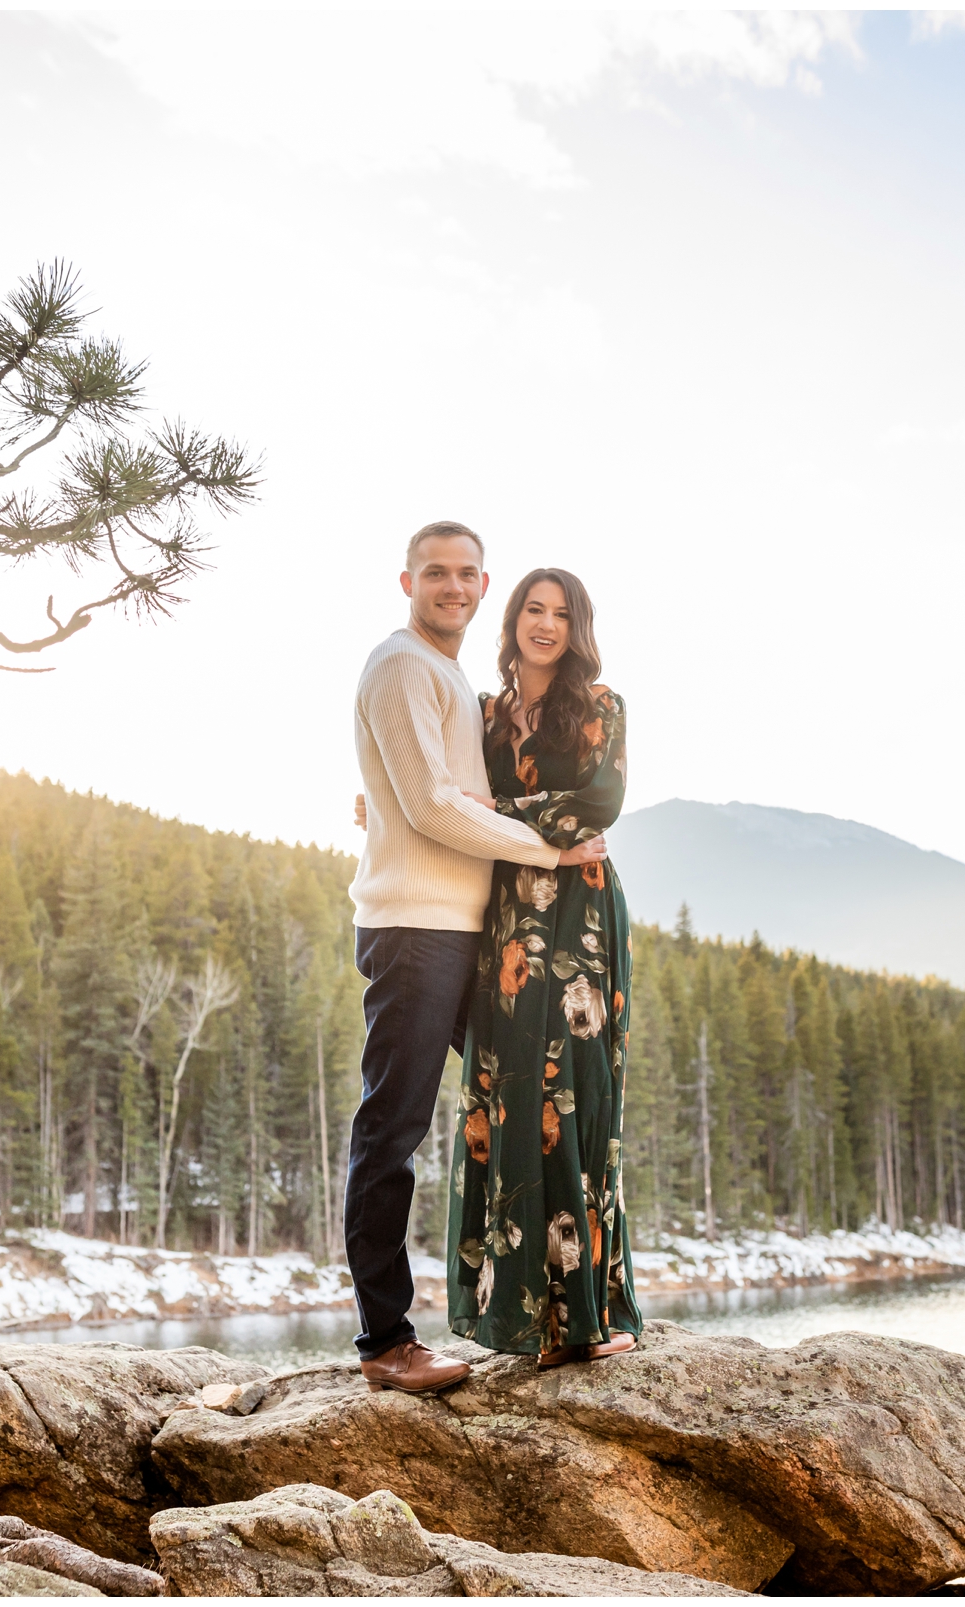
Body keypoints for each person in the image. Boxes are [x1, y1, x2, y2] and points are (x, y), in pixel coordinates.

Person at [348, 521, 610, 1396]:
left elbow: (446, 793)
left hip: (469, 930)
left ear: (481, 582)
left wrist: (388, 803)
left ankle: (551, 1312)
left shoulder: (450, 678)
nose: (452, 587)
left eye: (466, 574)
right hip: (417, 931)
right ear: (408, 580)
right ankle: (386, 1341)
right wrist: (549, 850)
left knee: (524, 1098)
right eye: (436, 573)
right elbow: (431, 806)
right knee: (394, 1128)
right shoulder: (400, 664)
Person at [447, 567, 638, 1365]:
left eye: (562, 613)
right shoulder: (481, 714)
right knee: (505, 1097)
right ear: (513, 618)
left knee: (574, 1094)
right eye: (534, 608)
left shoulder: (601, 707)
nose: (547, 623)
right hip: (503, 928)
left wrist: (502, 814)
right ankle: (525, 1321)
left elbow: (599, 803)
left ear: (577, 626)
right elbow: (444, 797)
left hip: (580, 922)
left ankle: (588, 1318)